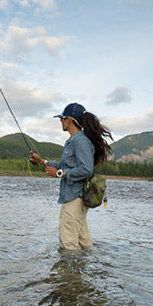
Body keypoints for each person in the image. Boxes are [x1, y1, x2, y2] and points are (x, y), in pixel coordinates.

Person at [30, 102, 113, 250]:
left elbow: (86, 169)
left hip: (74, 198)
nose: (60, 122)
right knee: (83, 242)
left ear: (69, 119)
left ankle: (69, 273)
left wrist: (60, 174)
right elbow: (65, 164)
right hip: (76, 198)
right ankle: (84, 268)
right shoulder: (74, 140)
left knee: (67, 243)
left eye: (61, 118)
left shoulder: (80, 141)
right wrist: (42, 162)